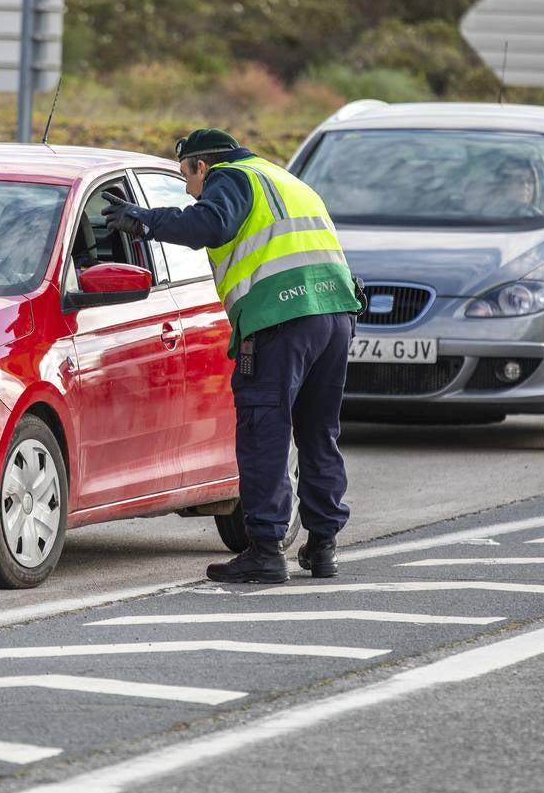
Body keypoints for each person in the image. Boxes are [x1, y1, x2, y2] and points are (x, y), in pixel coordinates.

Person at [102, 128, 363, 583]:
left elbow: (209, 224)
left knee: (264, 429)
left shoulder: (232, 177)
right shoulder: (287, 180)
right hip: (335, 313)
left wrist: (142, 219)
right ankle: (323, 546)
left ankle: (265, 548)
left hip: (280, 316)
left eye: (187, 175)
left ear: (203, 164)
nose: (188, 189)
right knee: (318, 431)